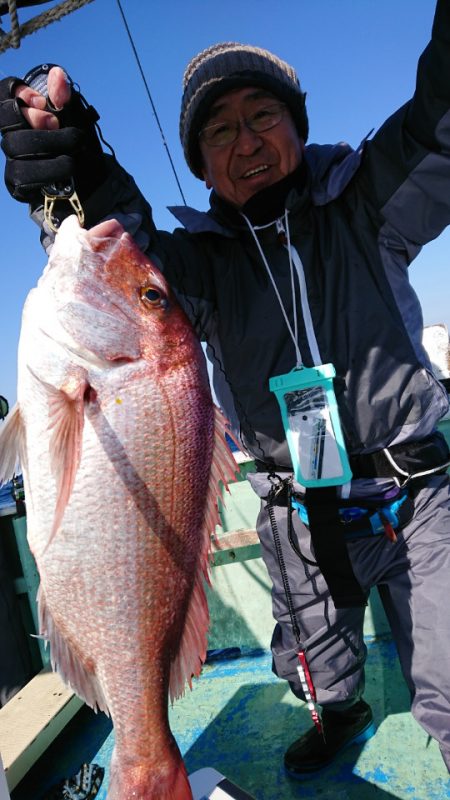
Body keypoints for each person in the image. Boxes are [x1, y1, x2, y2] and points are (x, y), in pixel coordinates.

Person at [1, 1, 450, 779]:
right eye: (219, 132)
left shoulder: (369, 201)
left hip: (416, 499)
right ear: (202, 165)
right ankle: (339, 714)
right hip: (296, 509)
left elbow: (439, 125)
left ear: (298, 127)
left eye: (262, 114)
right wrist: (74, 169)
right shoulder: (200, 267)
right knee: (315, 667)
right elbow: (128, 256)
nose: (245, 142)